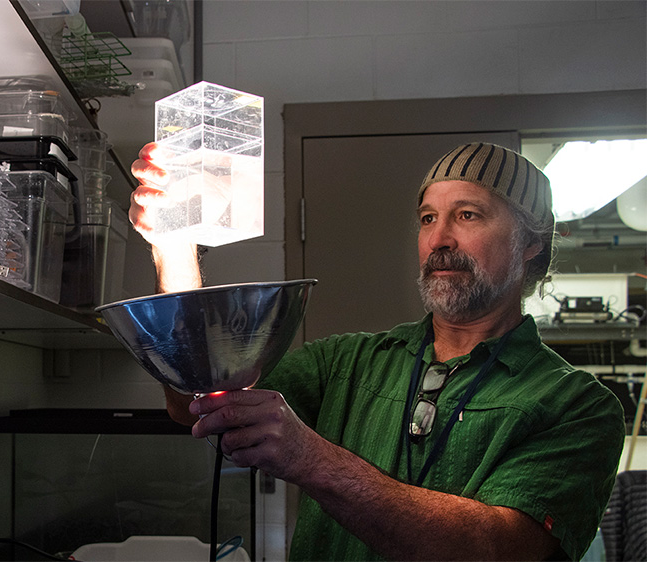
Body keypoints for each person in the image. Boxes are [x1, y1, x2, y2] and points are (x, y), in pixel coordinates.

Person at [129, 141, 626, 561]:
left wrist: (315, 460)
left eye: (467, 215)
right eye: (427, 217)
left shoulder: (578, 406)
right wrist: (174, 248)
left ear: (531, 242)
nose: (439, 238)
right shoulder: (347, 363)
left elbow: (500, 548)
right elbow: (197, 398)